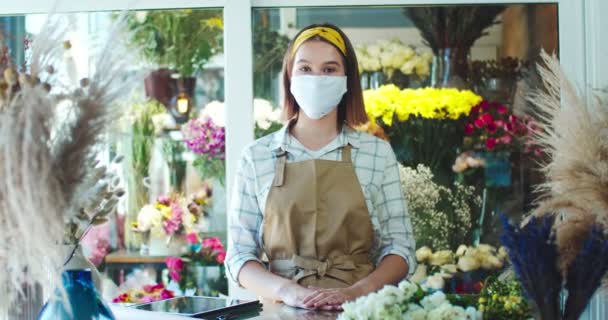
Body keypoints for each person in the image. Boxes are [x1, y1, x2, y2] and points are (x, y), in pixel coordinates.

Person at [225, 23, 416, 310]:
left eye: (329, 69)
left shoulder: (376, 153)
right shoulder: (257, 156)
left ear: (347, 78)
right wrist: (287, 290)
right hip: (281, 309)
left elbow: (400, 249)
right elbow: (239, 256)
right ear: (290, 76)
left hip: (360, 309)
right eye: (305, 68)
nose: (317, 78)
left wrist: (356, 292)